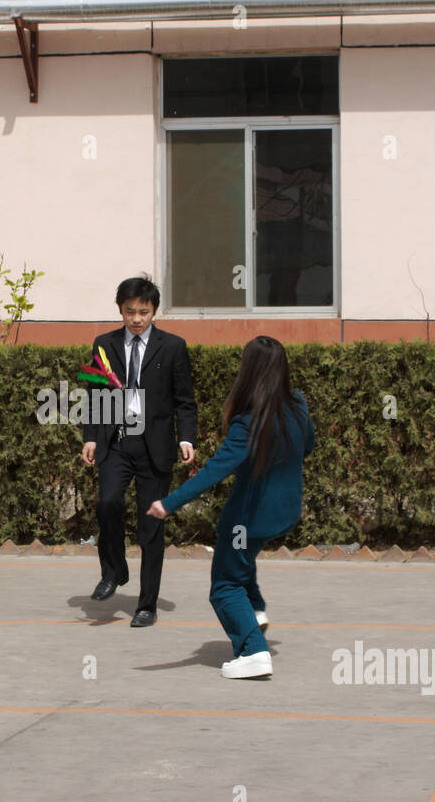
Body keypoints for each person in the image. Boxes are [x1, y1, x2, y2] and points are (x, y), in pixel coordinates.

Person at [147, 336, 315, 679]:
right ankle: (254, 610)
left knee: (224, 583)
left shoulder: (247, 423)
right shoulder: (297, 404)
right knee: (242, 560)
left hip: (244, 524)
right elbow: (307, 445)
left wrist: (167, 503)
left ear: (248, 372)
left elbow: (212, 472)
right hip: (283, 515)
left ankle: (254, 652)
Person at [82, 276, 197, 627]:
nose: (136, 319)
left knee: (151, 528)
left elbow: (185, 400)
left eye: (143, 312)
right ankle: (114, 570)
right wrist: (90, 437)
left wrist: (186, 438)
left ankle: (147, 605)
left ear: (154, 311)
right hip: (116, 443)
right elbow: (95, 394)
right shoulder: (104, 344)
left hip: (154, 448)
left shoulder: (173, 346)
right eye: (129, 311)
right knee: (107, 503)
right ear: (120, 310)